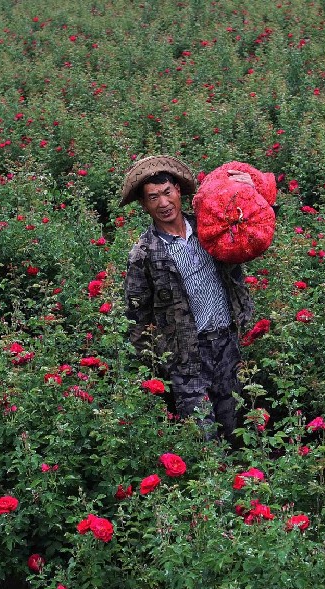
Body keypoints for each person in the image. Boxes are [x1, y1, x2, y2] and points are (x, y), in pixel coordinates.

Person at [121, 155, 255, 441]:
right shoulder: (144, 254)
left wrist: (251, 188)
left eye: (167, 192)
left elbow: (255, 226)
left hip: (227, 344)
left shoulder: (212, 228)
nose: (163, 203)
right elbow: (136, 316)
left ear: (178, 191)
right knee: (202, 438)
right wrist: (156, 360)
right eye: (153, 197)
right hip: (185, 356)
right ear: (144, 205)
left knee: (234, 428)